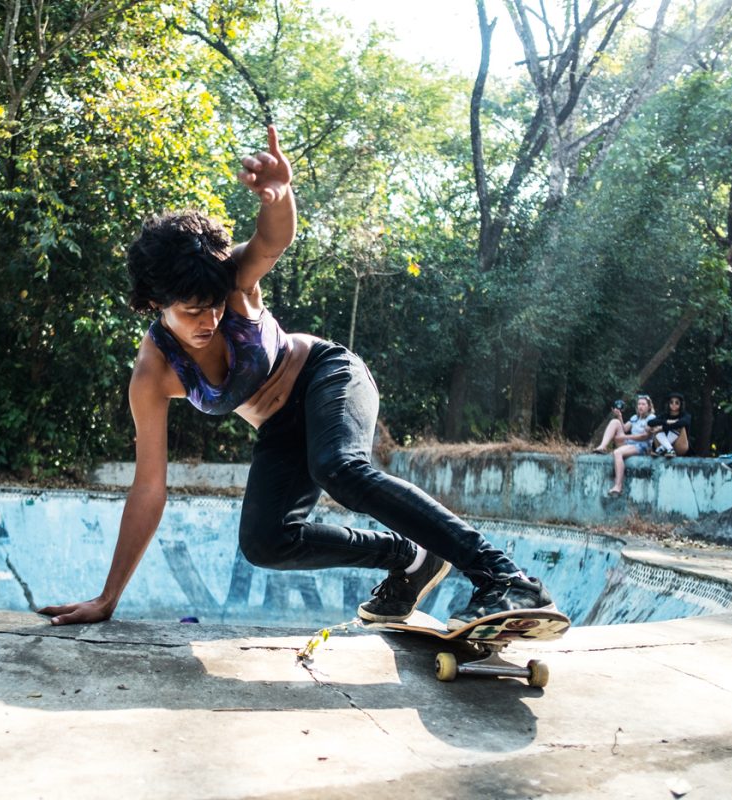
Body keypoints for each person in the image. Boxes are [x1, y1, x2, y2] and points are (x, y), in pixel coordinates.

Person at [41, 126, 556, 631]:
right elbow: (149, 487)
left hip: (326, 376)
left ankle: (504, 577)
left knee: (338, 466)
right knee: (266, 542)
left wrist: (278, 194)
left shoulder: (234, 281)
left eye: (215, 307)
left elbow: (272, 239)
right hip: (281, 428)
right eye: (192, 312)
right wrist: (109, 598)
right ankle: (409, 560)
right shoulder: (152, 374)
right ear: (156, 303)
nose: (210, 320)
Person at [592, 395, 656, 497]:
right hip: (630, 444)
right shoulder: (635, 418)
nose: (640, 406)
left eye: (643, 404)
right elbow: (625, 428)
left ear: (649, 406)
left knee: (617, 452)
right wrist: (619, 416)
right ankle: (602, 446)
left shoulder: (651, 418)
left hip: (642, 447)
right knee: (615, 422)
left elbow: (645, 436)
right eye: (639, 404)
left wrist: (624, 437)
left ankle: (618, 486)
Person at [648, 392, 691, 457]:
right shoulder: (664, 415)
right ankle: (668, 449)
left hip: (679, 447)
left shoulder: (685, 415)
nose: (674, 404)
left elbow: (682, 423)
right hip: (664, 448)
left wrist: (662, 427)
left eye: (677, 403)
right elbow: (650, 422)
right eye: (671, 402)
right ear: (668, 404)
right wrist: (666, 421)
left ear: (681, 404)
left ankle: (663, 449)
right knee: (655, 428)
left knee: (680, 426)